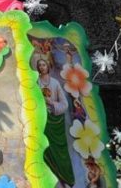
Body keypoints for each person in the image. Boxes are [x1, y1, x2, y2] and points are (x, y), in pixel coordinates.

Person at [36, 59, 75, 188]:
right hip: (42, 120)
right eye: (40, 65)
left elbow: (64, 104)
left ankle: (66, 179)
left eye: (44, 64)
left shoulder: (55, 83)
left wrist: (51, 103)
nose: (42, 67)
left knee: (60, 151)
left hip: (55, 122)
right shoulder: (35, 82)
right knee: (44, 149)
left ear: (48, 67)